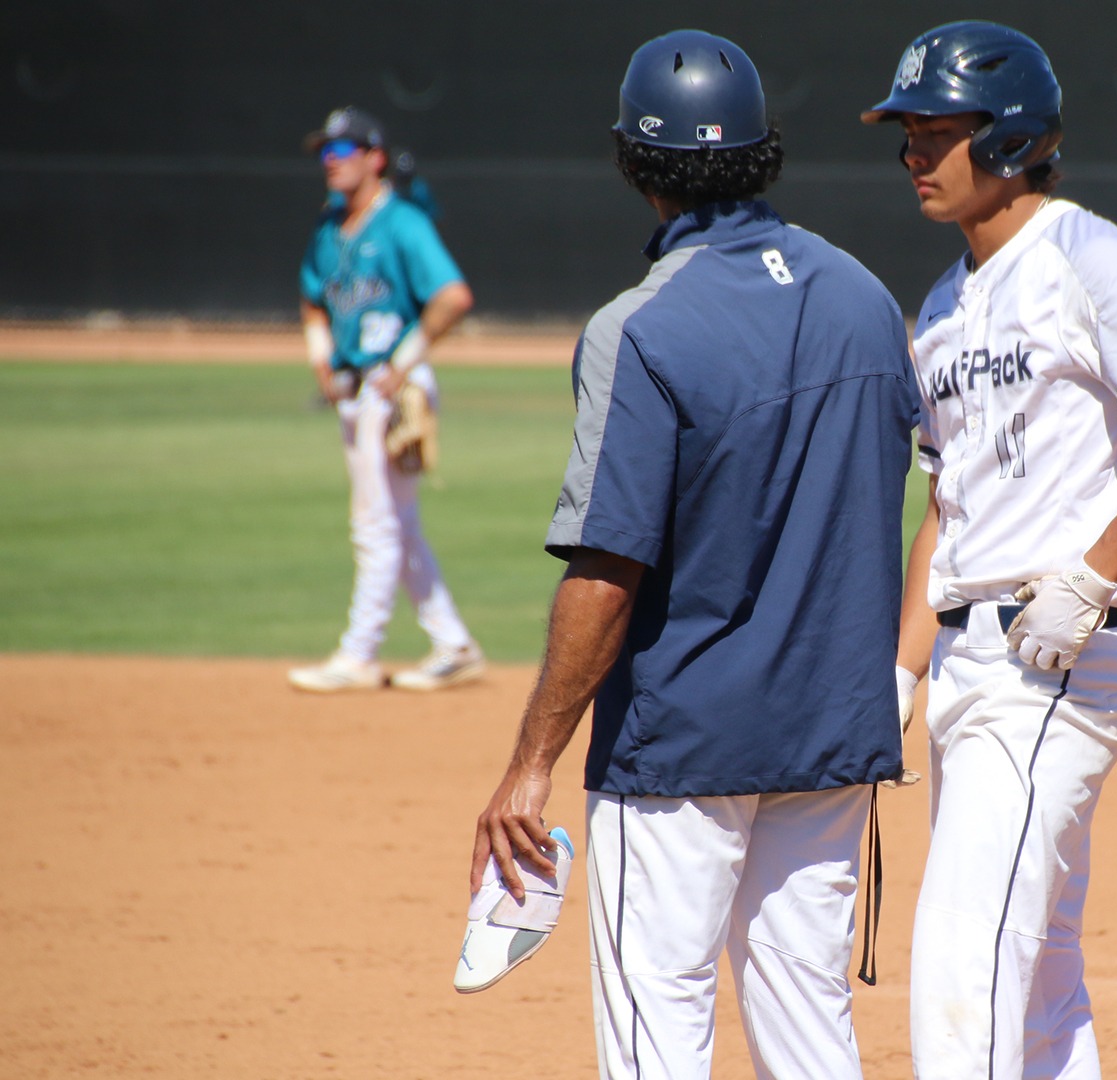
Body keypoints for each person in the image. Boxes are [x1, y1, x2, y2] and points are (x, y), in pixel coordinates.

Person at [469, 30, 917, 1080]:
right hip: (831, 734)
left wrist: (530, 766)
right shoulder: (863, 296)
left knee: (656, 1031)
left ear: (634, 162)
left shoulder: (641, 328)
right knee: (809, 1028)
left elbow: (606, 569)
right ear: (764, 149)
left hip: (679, 748)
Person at [863, 21, 1117, 1079]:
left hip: (1052, 664)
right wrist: (899, 673)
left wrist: (1091, 574)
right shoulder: (941, 305)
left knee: (961, 959)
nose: (910, 156)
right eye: (905, 133)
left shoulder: (1088, 255)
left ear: (1007, 138)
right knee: (1035, 978)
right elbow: (948, 498)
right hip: (965, 663)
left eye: (933, 132)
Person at [290, 106, 485, 693]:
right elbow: (310, 300)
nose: (329, 162)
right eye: (324, 152)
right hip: (356, 390)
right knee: (397, 523)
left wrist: (404, 363)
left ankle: (358, 654)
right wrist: (321, 355)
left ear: (374, 158)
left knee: (375, 523)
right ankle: (452, 643)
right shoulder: (331, 230)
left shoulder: (401, 224)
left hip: (390, 389)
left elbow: (452, 297)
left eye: (341, 151)